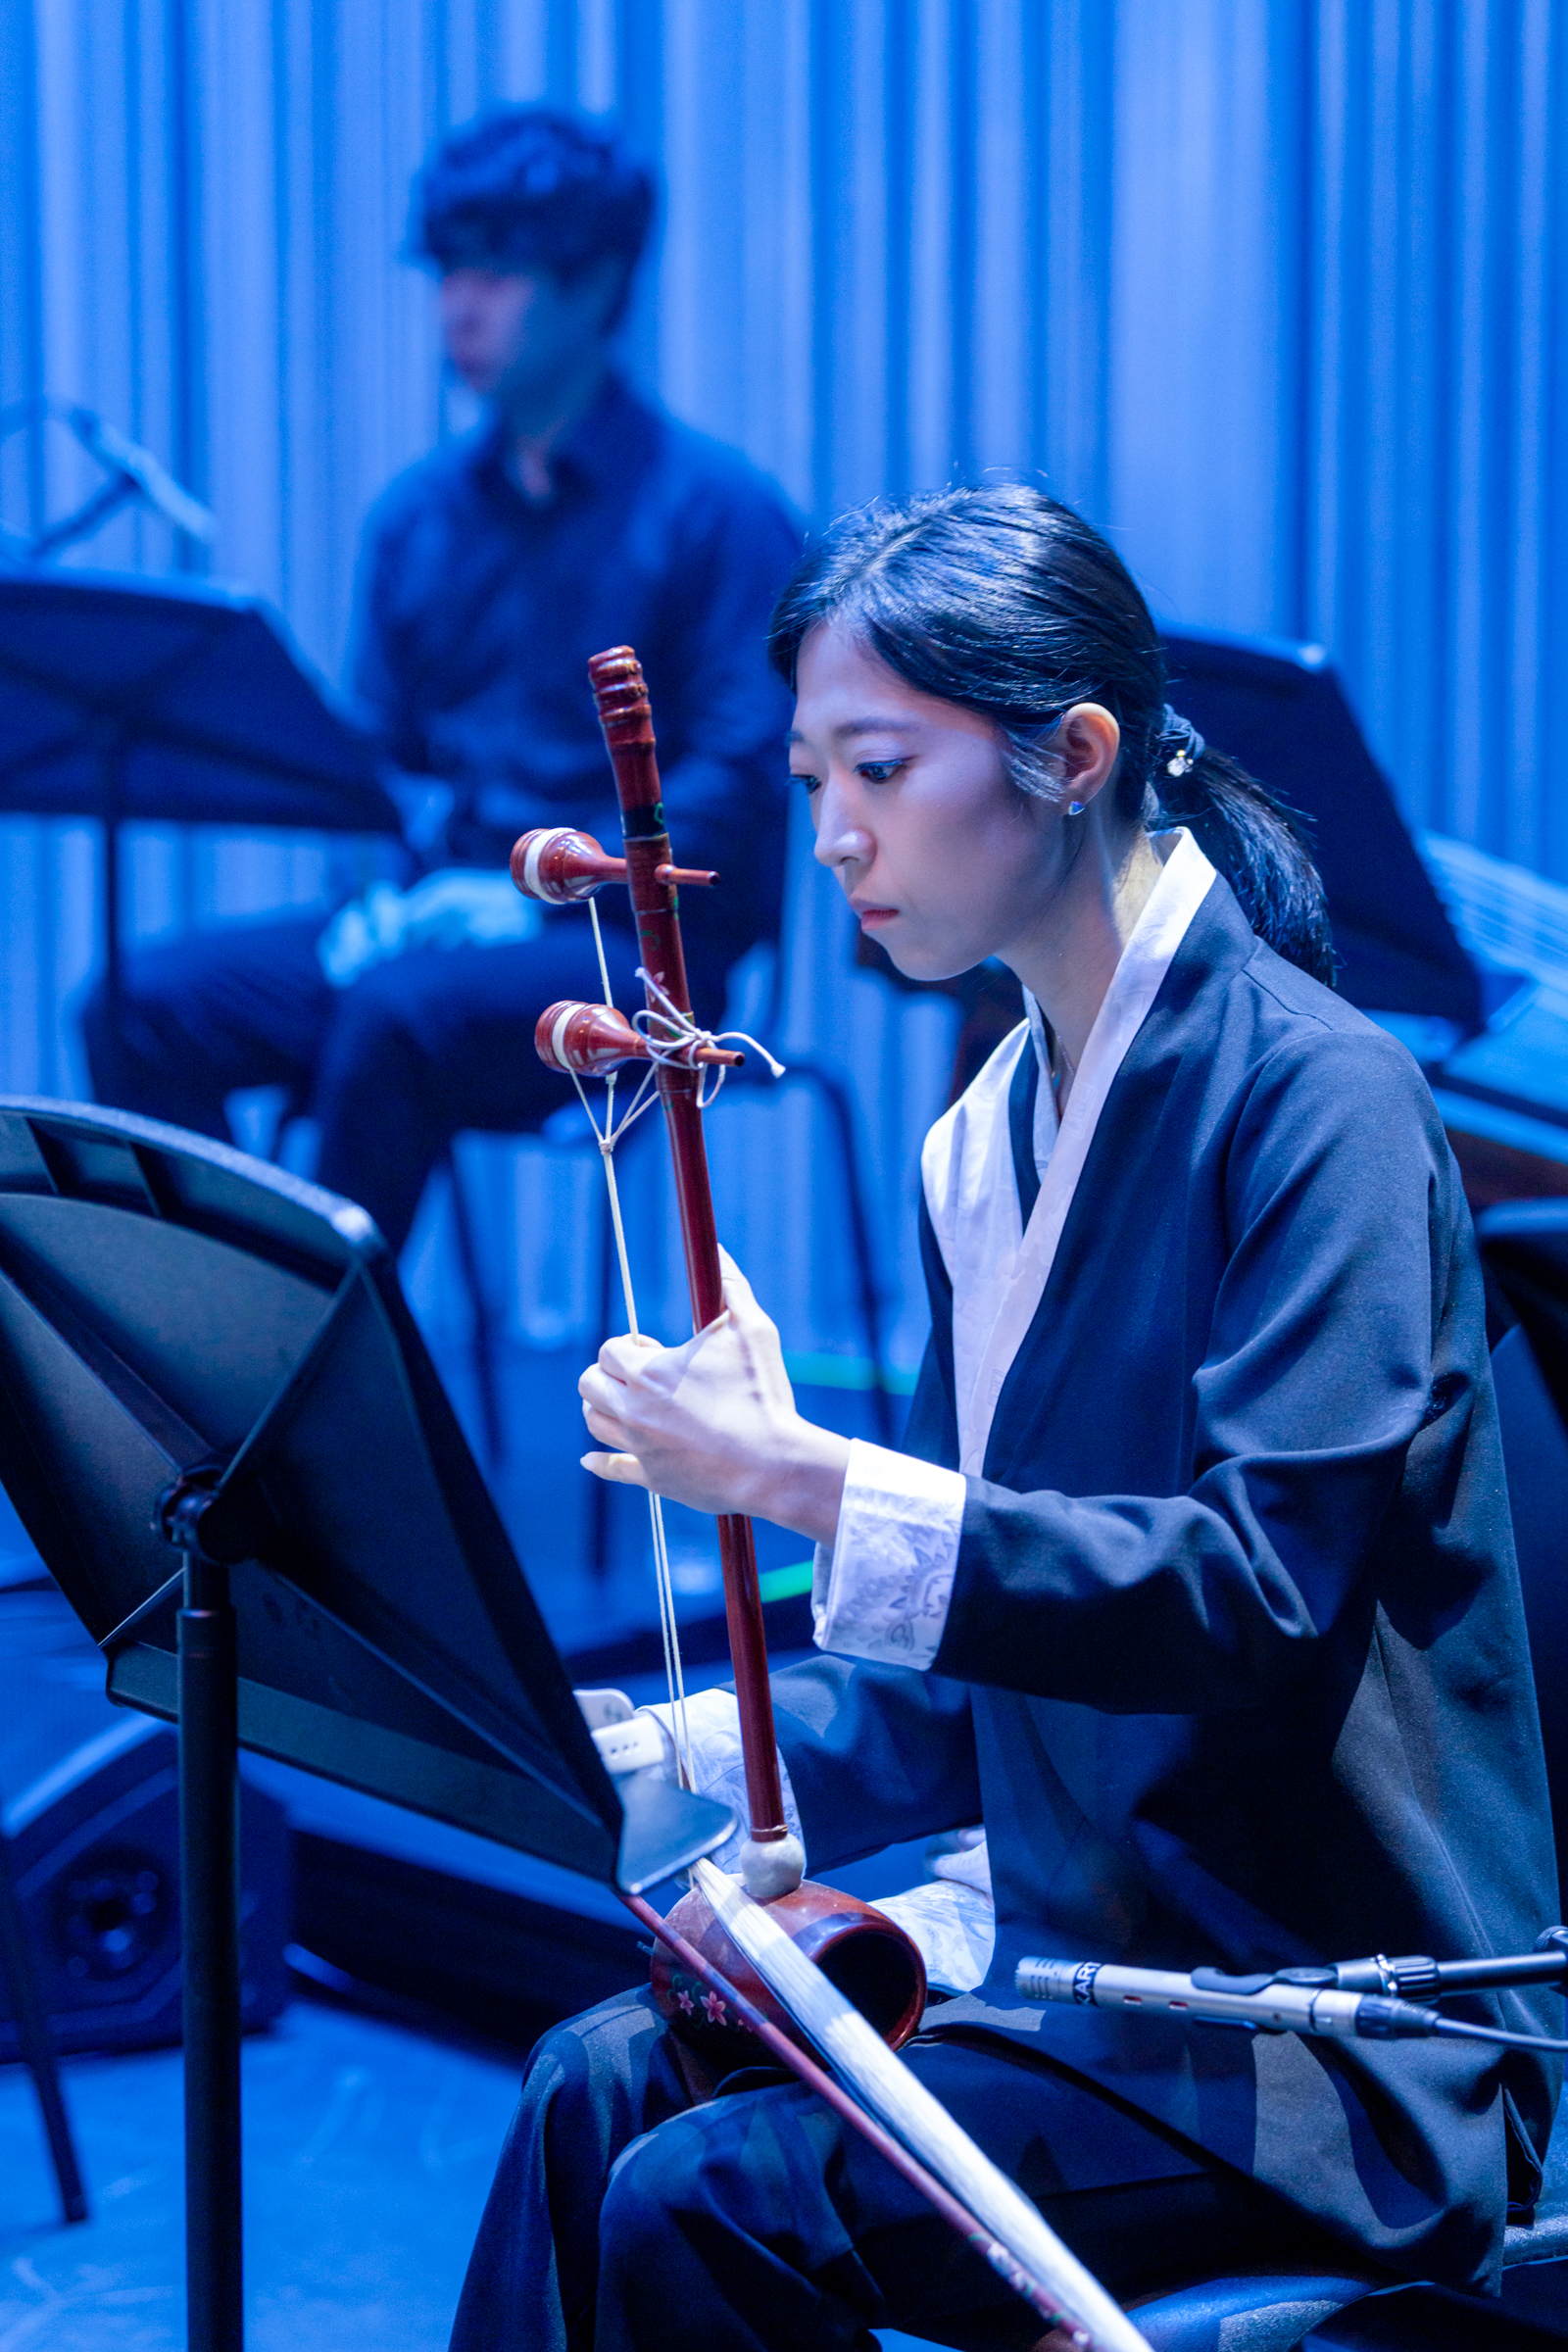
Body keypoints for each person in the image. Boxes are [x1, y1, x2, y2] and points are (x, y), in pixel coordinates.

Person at [450, 483, 1560, 2351]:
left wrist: (810, 1478)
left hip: (1325, 2038)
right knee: (595, 2086)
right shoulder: (983, 1142)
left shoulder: (1327, 1105)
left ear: (1074, 757)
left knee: (710, 2202)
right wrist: (656, 1749)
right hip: (1095, 1971)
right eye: (811, 781)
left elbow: (1252, 1597)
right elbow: (978, 1684)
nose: (834, 835)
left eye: (879, 770)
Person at [82, 108, 798, 1252]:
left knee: (390, 1016)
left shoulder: (719, 514)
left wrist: (538, 894)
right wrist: (381, 891)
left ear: (597, 284)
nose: (459, 306)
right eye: (448, 270)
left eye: (497, 273)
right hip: (446, 919)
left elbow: (743, 777)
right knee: (139, 1004)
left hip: (645, 949)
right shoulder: (418, 519)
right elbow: (372, 766)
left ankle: (317, 1348)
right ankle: (206, 1319)